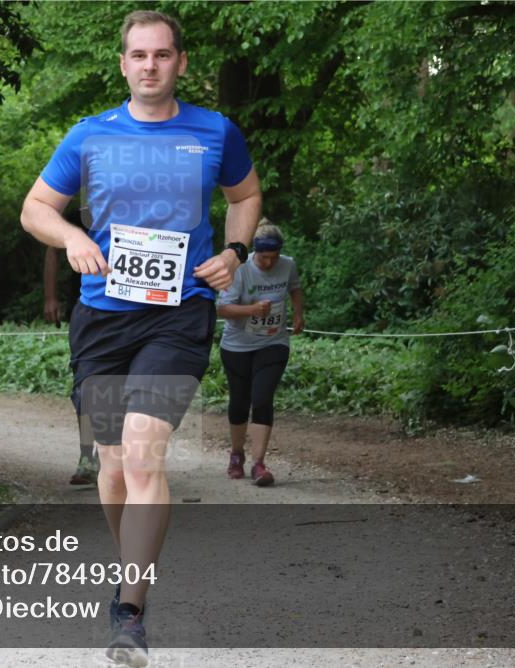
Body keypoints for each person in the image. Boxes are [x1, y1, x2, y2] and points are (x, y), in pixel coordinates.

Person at [20, 10, 261, 666]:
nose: (149, 65)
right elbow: (35, 207)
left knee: (145, 454)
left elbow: (246, 195)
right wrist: (71, 237)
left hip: (177, 314)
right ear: (123, 64)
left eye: (162, 55)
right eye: (138, 55)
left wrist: (235, 252)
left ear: (180, 62)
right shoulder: (89, 136)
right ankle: (131, 561)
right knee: (113, 464)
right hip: (101, 316)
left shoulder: (215, 131)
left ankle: (130, 609)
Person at [216, 221, 304, 486]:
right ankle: (236, 454)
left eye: (273, 257)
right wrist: (251, 310)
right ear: (255, 252)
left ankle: (259, 464)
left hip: (273, 343)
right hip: (237, 346)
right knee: (240, 402)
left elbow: (295, 288)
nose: (269, 263)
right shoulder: (239, 269)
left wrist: (299, 312)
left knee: (262, 398)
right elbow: (222, 309)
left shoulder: (287, 265)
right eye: (264, 257)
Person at [42, 234, 99, 486]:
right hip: (90, 310)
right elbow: (52, 248)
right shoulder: (82, 214)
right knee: (85, 386)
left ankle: (121, 457)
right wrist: (50, 297)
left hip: (144, 314)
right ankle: (87, 456)